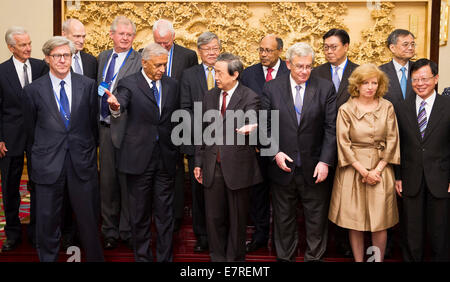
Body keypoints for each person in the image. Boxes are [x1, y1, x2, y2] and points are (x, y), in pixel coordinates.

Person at [22, 36, 103, 262]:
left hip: (81, 162)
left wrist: (87, 151)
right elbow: (30, 130)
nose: (62, 60)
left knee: (88, 220)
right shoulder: (32, 90)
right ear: (47, 58)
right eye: (57, 56)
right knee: (47, 221)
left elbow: (92, 125)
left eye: (66, 55)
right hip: (48, 164)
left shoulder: (87, 85)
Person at [261, 43, 336, 262]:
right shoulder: (272, 88)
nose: (304, 71)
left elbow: (331, 128)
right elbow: (265, 125)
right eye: (299, 66)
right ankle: (285, 258)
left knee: (316, 220)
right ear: (288, 64)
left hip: (315, 167)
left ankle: (314, 258)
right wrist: (275, 152)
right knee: (284, 220)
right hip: (282, 166)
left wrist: (325, 161)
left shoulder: (325, 87)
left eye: (309, 67)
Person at [107, 43, 180, 262]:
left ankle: (165, 258)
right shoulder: (129, 83)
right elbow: (121, 103)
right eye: (157, 65)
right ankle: (143, 257)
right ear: (144, 62)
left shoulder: (172, 84)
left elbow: (175, 118)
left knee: (165, 214)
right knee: (139, 215)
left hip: (165, 157)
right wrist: (115, 107)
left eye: (164, 65)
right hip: (138, 159)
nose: (161, 69)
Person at [194, 53, 262, 262]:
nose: (216, 76)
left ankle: (234, 261)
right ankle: (217, 259)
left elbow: (254, 117)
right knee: (213, 219)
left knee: (237, 220)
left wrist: (253, 127)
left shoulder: (250, 96)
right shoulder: (210, 96)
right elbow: (201, 130)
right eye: (215, 71)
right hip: (212, 166)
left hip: (238, 169)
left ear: (235, 75)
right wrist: (198, 162)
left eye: (220, 72)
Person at [328, 63, 400, 262]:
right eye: (365, 83)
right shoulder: (345, 109)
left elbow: (393, 140)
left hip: (381, 169)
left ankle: (376, 261)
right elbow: (343, 143)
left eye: (374, 83)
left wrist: (377, 170)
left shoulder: (388, 107)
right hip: (353, 170)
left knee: (380, 222)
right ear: (357, 85)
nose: (370, 87)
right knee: (355, 222)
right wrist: (363, 171)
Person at [394, 59, 450, 261]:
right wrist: (398, 176)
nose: (420, 83)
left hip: (442, 178)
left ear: (435, 79)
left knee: (440, 233)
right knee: (411, 232)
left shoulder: (448, 105)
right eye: (415, 79)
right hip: (411, 177)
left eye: (424, 78)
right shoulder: (401, 107)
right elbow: (397, 144)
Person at [311, 28, 359, 257]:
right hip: (320, 145)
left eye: (333, 47)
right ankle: (323, 244)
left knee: (348, 198)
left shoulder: (359, 73)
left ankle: (345, 244)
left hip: (352, 148)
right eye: (325, 47)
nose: (329, 51)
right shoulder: (315, 73)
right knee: (322, 197)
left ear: (346, 46)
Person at [240, 34, 289, 253]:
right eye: (261, 50)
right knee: (258, 193)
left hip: (284, 145)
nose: (263, 54)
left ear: (280, 51)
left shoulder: (291, 73)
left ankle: (281, 240)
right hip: (256, 146)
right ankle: (260, 236)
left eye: (268, 50)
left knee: (282, 195)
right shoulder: (249, 74)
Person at [0, 26, 48, 251]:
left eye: (29, 43)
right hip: (10, 139)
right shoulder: (1, 72)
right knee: (10, 186)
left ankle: (37, 231)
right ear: (11, 47)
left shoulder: (40, 67)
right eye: (23, 45)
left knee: (38, 184)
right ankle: (12, 233)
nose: (29, 48)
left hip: (39, 136)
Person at [97, 15, 141, 250]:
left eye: (129, 35)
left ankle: (127, 230)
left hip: (128, 132)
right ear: (112, 35)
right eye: (121, 34)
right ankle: (109, 230)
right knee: (107, 183)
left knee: (128, 183)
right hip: (104, 129)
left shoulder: (140, 59)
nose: (125, 38)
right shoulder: (103, 57)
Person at [152, 19, 199, 232]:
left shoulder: (187, 56)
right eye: (158, 42)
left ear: (174, 38)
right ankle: (159, 213)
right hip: (156, 122)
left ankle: (178, 214)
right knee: (158, 167)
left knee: (179, 168)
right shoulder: (146, 53)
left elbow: (190, 86)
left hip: (180, 119)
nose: (162, 47)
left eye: (166, 43)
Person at [179, 31, 221, 253]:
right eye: (207, 49)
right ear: (199, 51)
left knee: (221, 192)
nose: (212, 52)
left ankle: (220, 235)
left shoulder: (229, 68)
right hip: (198, 143)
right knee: (199, 193)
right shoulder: (189, 75)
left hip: (224, 144)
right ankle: (202, 236)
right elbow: (185, 109)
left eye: (215, 48)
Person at [61, 17, 98, 250]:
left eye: (84, 36)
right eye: (77, 36)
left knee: (86, 190)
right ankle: (66, 232)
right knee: (63, 190)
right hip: (61, 141)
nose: (82, 40)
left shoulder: (91, 61)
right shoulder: (53, 61)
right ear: (64, 36)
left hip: (85, 139)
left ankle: (86, 234)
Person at [380, 29, 416, 107]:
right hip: (389, 117)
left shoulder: (419, 69)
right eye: (405, 44)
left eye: (412, 44)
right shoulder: (380, 72)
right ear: (392, 48)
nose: (410, 48)